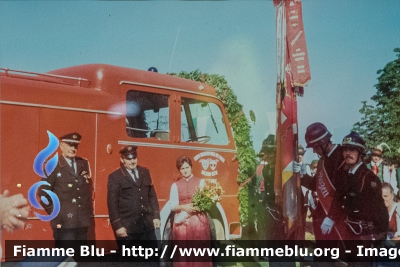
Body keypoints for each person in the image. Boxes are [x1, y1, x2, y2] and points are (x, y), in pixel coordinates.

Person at [322, 131, 388, 240]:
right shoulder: (344, 175)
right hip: (349, 231)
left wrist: (379, 235)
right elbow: (339, 198)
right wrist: (330, 217)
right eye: (345, 150)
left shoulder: (369, 178)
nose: (347, 153)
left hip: (365, 234)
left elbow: (380, 210)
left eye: (352, 150)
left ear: (361, 153)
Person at [39, 132, 94, 241]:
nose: (73, 148)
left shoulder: (83, 164)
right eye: (69, 145)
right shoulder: (53, 165)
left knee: (80, 256)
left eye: (75, 146)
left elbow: (87, 191)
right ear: (61, 146)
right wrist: (55, 213)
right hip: (63, 222)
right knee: (65, 256)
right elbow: (43, 193)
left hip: (82, 223)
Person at [107, 145, 160, 250]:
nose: (132, 161)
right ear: (122, 159)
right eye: (128, 158)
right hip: (128, 229)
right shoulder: (115, 177)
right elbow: (112, 204)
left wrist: (156, 216)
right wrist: (118, 226)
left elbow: (152, 196)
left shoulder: (145, 172)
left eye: (134, 158)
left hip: (147, 227)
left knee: (152, 260)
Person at [297, 122, 344, 241]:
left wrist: (332, 216)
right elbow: (315, 185)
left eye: (315, 147)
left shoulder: (342, 157)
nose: (314, 151)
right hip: (322, 216)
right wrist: (302, 175)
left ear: (323, 143)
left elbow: (343, 192)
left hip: (337, 217)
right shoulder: (322, 161)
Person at [168, 155, 212, 267]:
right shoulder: (175, 185)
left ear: (191, 167)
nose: (185, 170)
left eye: (187, 167)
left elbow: (205, 202)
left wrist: (197, 207)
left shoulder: (201, 182)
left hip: (198, 220)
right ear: (179, 170)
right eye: (182, 168)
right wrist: (184, 207)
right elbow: (173, 206)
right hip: (182, 222)